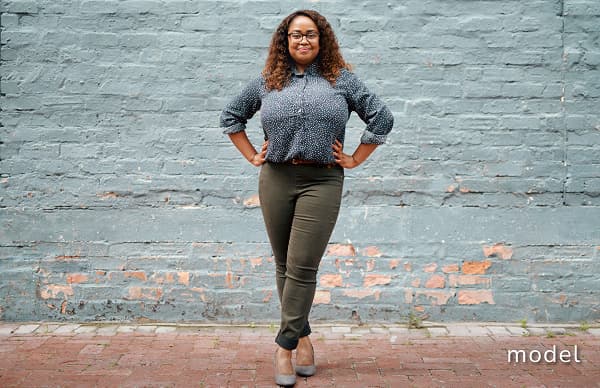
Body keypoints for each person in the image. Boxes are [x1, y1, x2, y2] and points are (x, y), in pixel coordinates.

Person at [220, 9, 393, 386]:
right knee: (284, 264)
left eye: (310, 34)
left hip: (322, 181)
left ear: (322, 39)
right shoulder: (268, 82)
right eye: (296, 34)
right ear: (285, 40)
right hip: (276, 178)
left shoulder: (342, 80)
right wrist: (252, 155)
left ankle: (283, 347)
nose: (303, 40)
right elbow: (231, 117)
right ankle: (305, 339)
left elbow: (382, 117)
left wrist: (355, 159)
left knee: (302, 265)